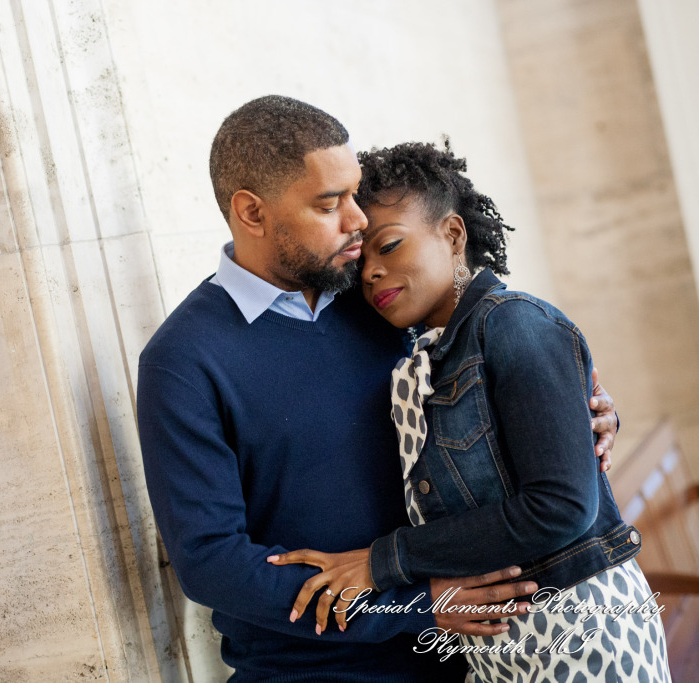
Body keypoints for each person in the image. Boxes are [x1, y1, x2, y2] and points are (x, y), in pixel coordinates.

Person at [137, 96, 618, 681]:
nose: (358, 220)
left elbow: (500, 393)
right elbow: (212, 563)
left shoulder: (383, 302)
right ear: (251, 213)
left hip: (481, 659)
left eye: (355, 195)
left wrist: (581, 416)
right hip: (320, 671)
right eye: (329, 204)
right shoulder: (183, 360)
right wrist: (417, 607)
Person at [268, 141, 669, 681]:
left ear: (453, 234)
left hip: (584, 632)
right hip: (498, 646)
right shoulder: (426, 356)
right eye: (363, 262)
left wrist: (383, 562)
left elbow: (562, 507)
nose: (371, 274)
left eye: (389, 247)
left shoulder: (513, 324)